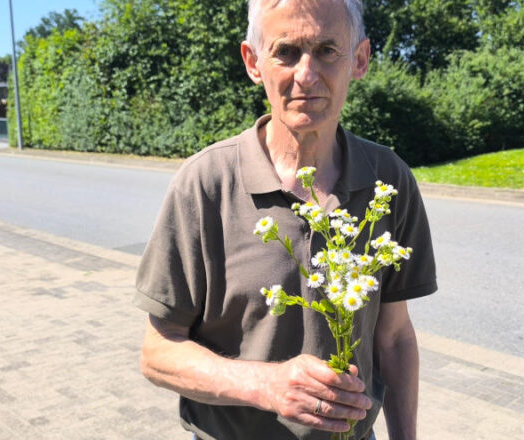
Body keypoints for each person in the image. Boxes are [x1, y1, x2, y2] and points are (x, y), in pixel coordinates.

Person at [134, 0, 437, 439]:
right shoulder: (205, 184)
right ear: (253, 62)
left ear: (360, 59)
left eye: (328, 49)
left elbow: (393, 338)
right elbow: (157, 352)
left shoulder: (388, 180)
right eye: (287, 52)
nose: (307, 75)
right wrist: (266, 385)